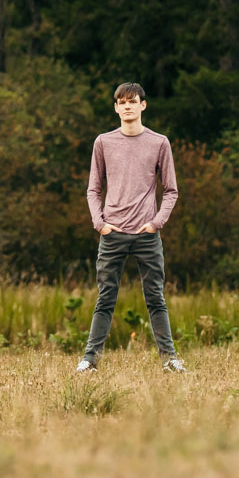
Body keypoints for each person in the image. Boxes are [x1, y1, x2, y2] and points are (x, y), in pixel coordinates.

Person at [77, 82, 185, 373]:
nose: (127, 106)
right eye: (121, 102)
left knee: (155, 298)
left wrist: (156, 223)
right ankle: (89, 360)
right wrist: (99, 224)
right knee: (105, 298)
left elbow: (171, 190)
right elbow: (93, 189)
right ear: (115, 107)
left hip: (146, 235)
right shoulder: (103, 142)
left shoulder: (159, 142)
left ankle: (170, 360)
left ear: (143, 105)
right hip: (112, 233)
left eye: (132, 101)